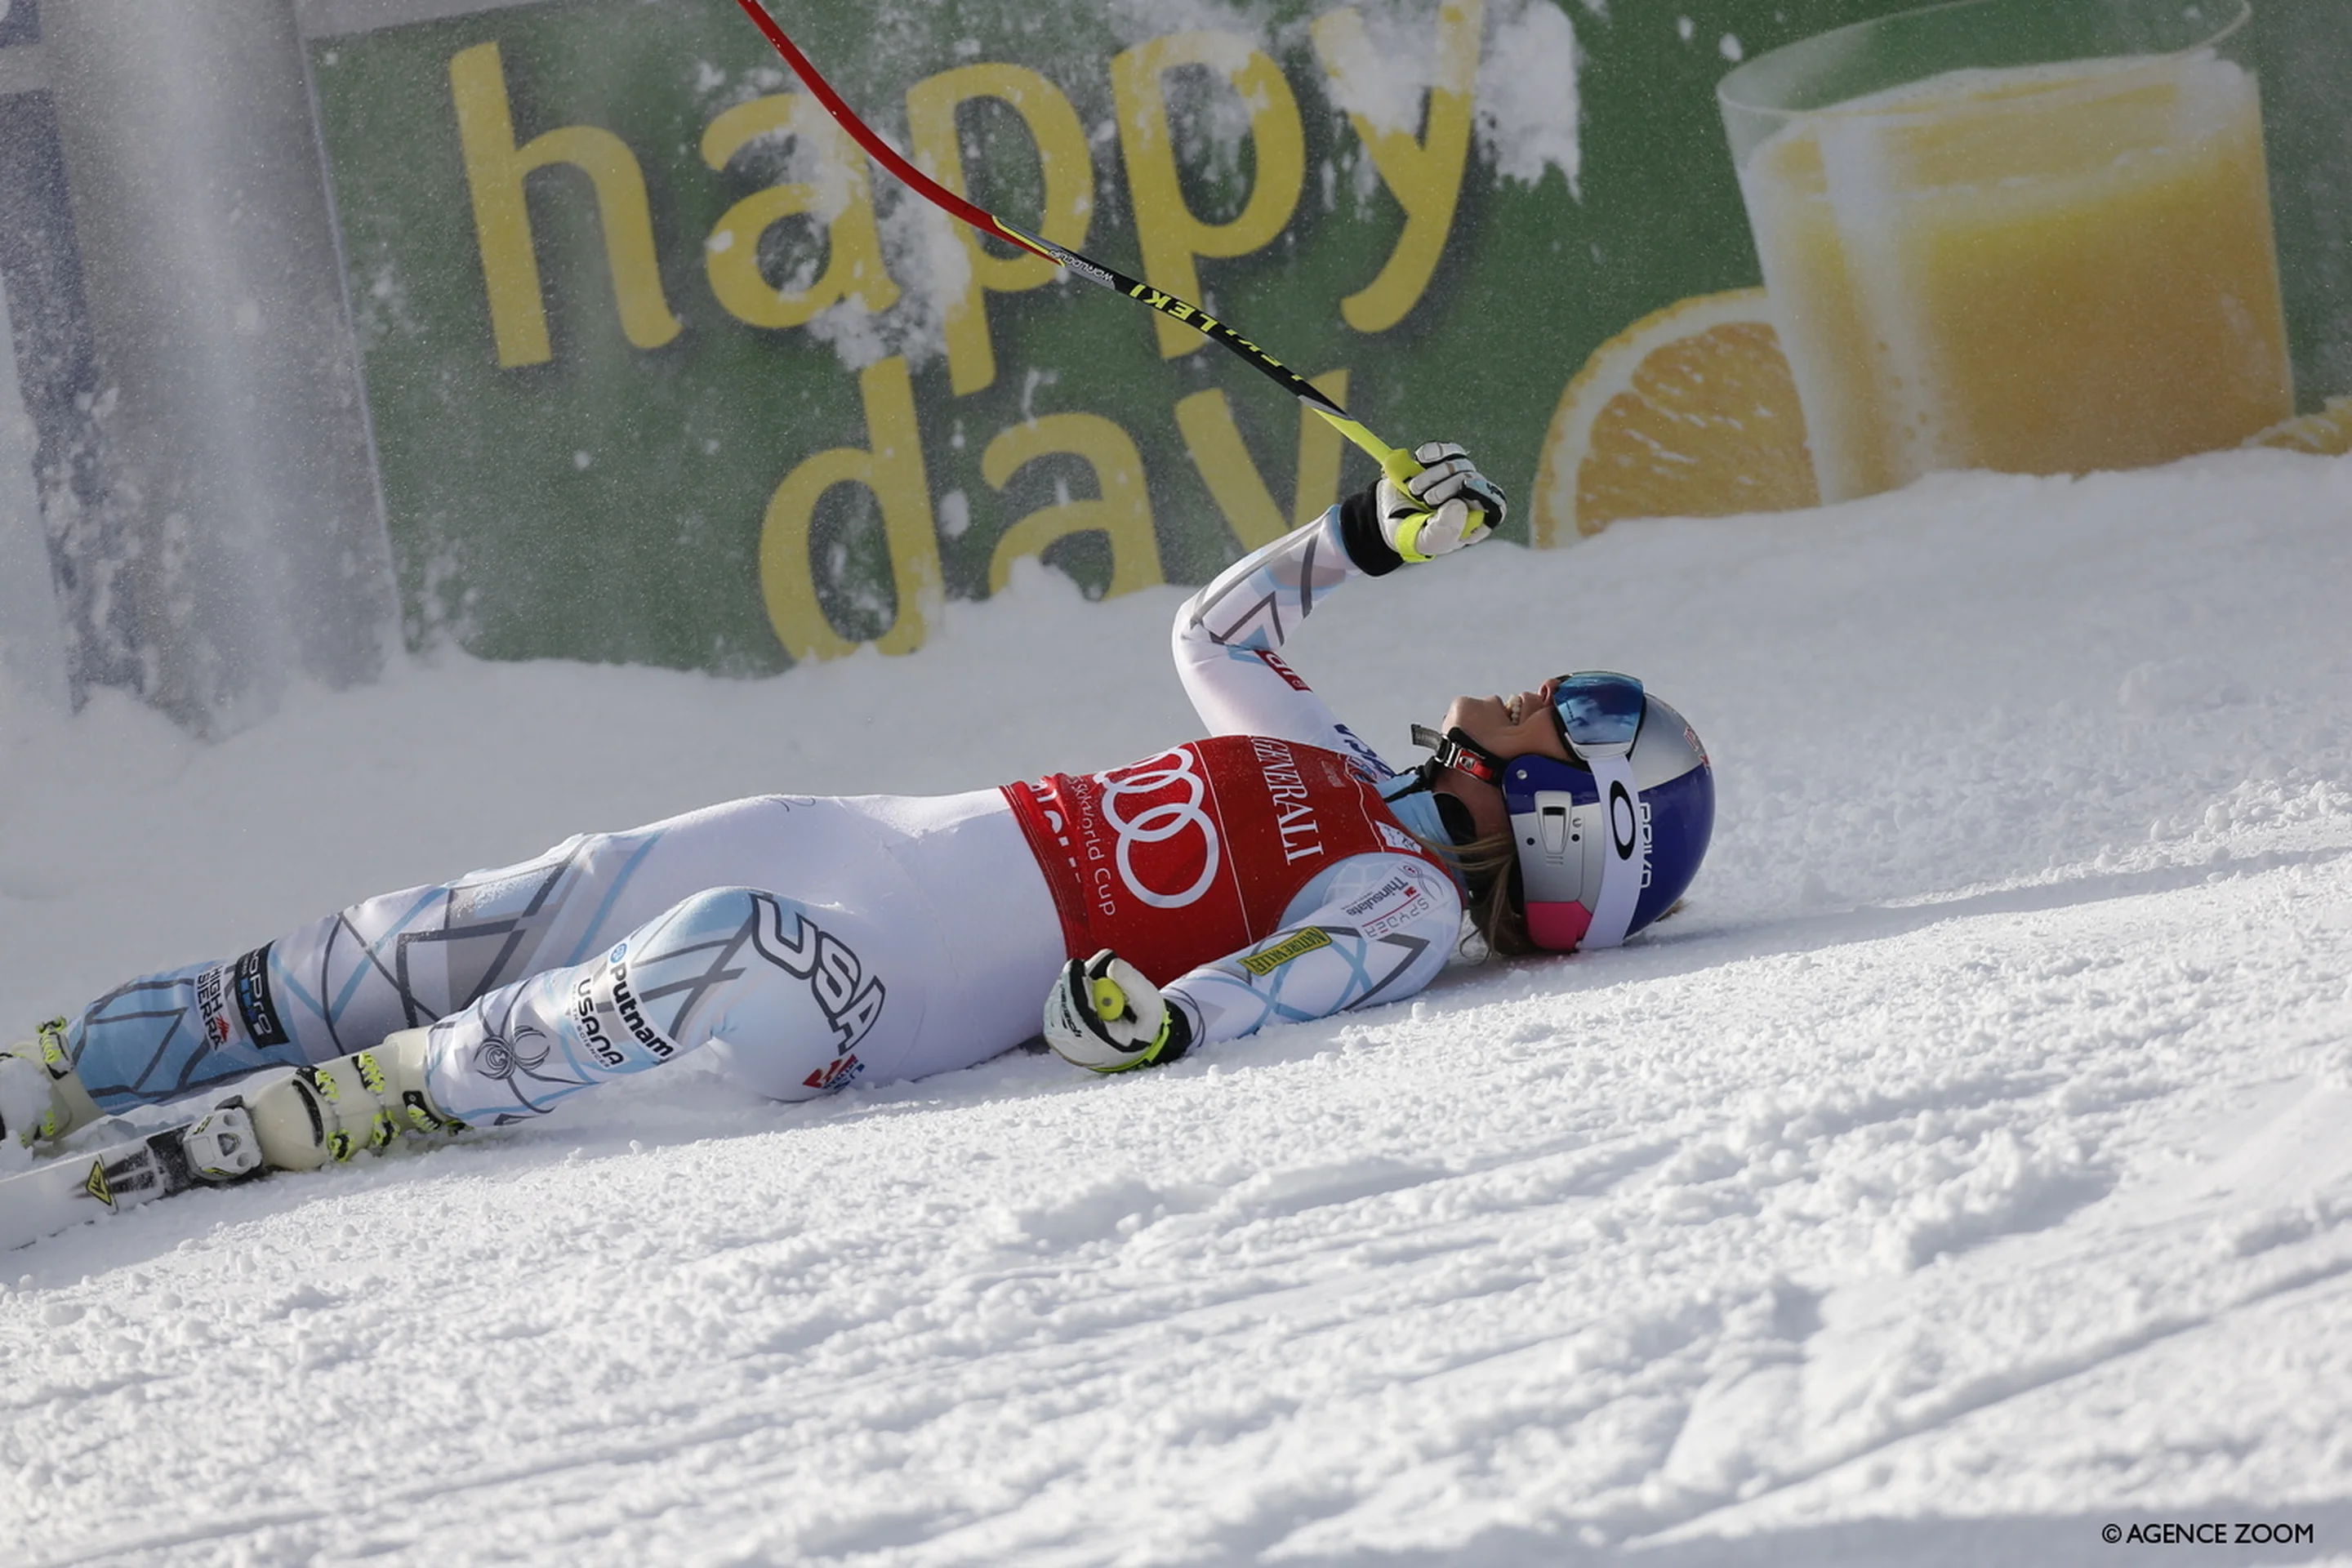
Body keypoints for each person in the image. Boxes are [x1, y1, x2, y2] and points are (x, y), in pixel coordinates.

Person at [0, 444, 1713, 1174]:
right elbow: (1216, 632)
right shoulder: (1339, 767)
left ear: (1573, 817)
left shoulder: (1406, 903)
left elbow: (1306, 979)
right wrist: (1368, 539)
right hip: (843, 831)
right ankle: (79, 1063)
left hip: (886, 984)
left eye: (1558, 716)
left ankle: (392, 1099)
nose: (1508, 697)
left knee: (719, 949)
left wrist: (1167, 1027)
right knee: (495, 903)